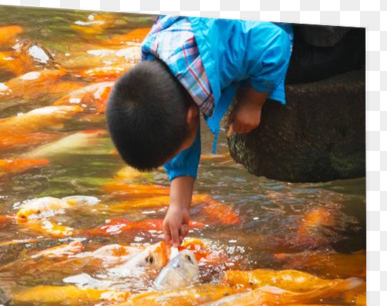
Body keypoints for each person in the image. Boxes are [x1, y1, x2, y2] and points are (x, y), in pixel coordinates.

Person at [105, 16, 295, 247]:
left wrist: (252, 102)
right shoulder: (161, 80)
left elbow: (276, 42)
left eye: (173, 151)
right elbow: (181, 135)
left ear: (189, 116)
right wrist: (178, 206)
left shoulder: (224, 55)